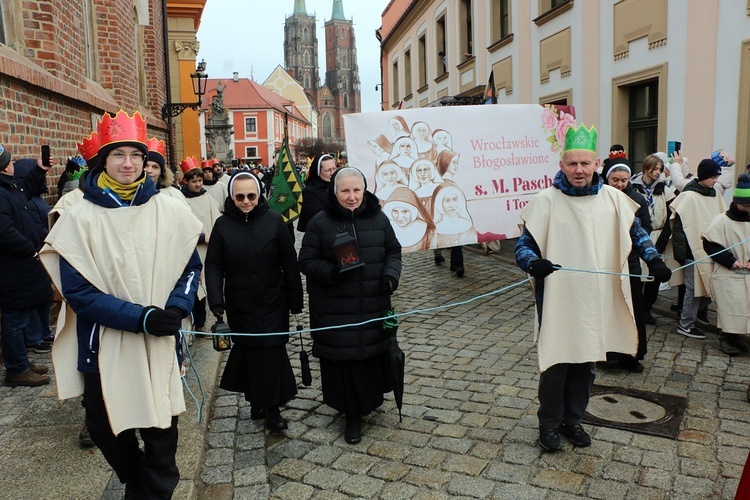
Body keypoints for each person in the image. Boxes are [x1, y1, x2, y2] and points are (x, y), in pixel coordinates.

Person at [39, 110, 203, 498]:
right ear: (104, 160)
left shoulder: (168, 207)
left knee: (161, 428)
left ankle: (152, 489)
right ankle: (135, 477)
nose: (128, 163)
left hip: (158, 337)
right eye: (118, 155)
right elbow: (79, 292)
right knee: (103, 426)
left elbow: (190, 267)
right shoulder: (79, 215)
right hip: (104, 341)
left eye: (134, 154)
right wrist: (140, 317)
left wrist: (177, 308)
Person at [514, 124, 671, 452]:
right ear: (562, 166)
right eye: (572, 164)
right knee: (556, 363)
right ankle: (548, 425)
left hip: (594, 298)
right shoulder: (546, 201)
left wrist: (654, 261)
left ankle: (573, 420)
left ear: (596, 163)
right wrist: (533, 263)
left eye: (585, 163)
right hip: (557, 298)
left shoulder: (614, 199)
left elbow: (638, 235)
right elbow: (523, 246)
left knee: (585, 364)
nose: (579, 170)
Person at [298, 167, 402, 444]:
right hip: (334, 307)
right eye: (345, 190)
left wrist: (391, 276)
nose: (352, 196)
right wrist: (331, 271)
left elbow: (393, 250)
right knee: (344, 362)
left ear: (364, 190)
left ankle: (368, 402)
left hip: (372, 303)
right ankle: (350, 415)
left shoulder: (379, 219)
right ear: (335, 192)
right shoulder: (320, 222)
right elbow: (305, 261)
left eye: (356, 190)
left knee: (369, 356)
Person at [205, 171, 303, 431]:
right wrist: (216, 303)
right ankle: (256, 400)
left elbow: (288, 262)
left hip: (273, 300)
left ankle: (273, 409)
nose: (246, 201)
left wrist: (296, 300)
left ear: (259, 196)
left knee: (271, 353)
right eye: (240, 197)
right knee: (250, 351)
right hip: (240, 302)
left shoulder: (274, 221)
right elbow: (214, 265)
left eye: (251, 196)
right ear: (232, 198)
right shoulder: (223, 226)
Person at [0, 143, 54, 387]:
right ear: (4, 169)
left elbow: (28, 189)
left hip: (21, 267)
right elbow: (4, 232)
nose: (13, 165)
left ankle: (20, 361)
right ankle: (16, 369)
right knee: (14, 321)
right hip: (13, 267)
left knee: (20, 318)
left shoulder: (9, 187)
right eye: (9, 162)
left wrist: (40, 170)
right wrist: (30, 249)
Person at [670, 158, 727, 340]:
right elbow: (679, 228)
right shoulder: (688, 196)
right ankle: (685, 324)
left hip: (711, 250)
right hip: (692, 251)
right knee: (693, 289)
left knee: (711, 286)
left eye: (717, 176)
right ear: (703, 176)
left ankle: (698, 314)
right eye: (712, 177)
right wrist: (683, 253)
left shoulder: (715, 194)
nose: (715, 180)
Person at [605, 164, 653, 372]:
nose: (620, 184)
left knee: (632, 308)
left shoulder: (638, 200)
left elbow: (646, 227)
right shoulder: (601, 197)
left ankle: (631, 354)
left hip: (630, 260)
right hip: (606, 260)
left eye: (624, 180)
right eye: (615, 180)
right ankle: (606, 352)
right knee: (608, 308)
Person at [702, 174, 750, 356]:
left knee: (747, 306)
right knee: (731, 306)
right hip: (729, 273)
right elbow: (710, 244)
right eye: (745, 205)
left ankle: (739, 337)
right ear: (737, 202)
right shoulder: (722, 220)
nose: (748, 209)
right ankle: (727, 337)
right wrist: (731, 261)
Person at [631, 154, 677, 324]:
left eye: (660, 169)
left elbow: (672, 213)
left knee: (654, 276)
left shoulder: (664, 189)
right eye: (655, 168)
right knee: (639, 275)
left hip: (657, 234)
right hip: (639, 233)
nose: (658, 172)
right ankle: (635, 308)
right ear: (646, 168)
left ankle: (646, 309)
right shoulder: (633, 186)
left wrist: (663, 239)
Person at [180, 157, 222, 335]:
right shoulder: (181, 199)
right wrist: (200, 237)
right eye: (193, 181)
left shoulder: (207, 196)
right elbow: (182, 224)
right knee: (193, 285)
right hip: (192, 248)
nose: (197, 184)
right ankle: (192, 323)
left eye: (199, 180)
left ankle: (202, 323)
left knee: (206, 285)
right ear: (186, 182)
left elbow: (216, 218)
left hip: (208, 248)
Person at [383, 187, 435, 252]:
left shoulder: (428, 231)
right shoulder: (385, 230)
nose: (400, 217)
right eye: (395, 211)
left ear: (413, 212)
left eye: (404, 211)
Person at [296, 153, 336, 232]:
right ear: (318, 171)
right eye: (328, 170)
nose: (332, 173)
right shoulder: (309, 191)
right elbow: (318, 214)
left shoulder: (339, 185)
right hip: (320, 232)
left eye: (334, 169)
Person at [144, 137, 185, 202]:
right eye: (146, 166)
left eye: (155, 167)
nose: (149, 170)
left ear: (161, 171)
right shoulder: (131, 195)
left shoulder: (174, 195)